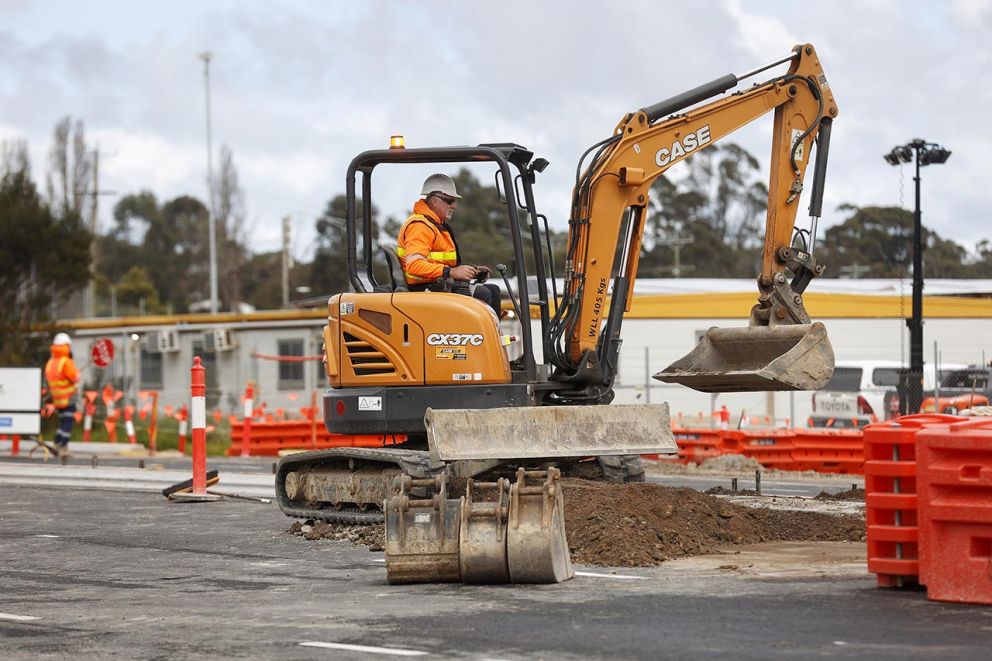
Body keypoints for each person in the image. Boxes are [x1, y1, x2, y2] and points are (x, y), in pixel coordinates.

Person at [396, 173, 501, 316]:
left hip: (435, 285)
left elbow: (438, 262)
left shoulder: (435, 225)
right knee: (483, 293)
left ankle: (493, 337)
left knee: (494, 290)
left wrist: (470, 271)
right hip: (424, 290)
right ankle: (478, 337)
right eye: (450, 201)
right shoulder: (420, 226)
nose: (454, 206)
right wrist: (451, 272)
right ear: (434, 201)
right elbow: (414, 266)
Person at [44, 332, 80, 454]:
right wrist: (77, 374)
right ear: (67, 345)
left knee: (62, 421)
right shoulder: (66, 361)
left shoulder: (51, 362)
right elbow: (74, 377)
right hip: (68, 397)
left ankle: (57, 442)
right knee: (68, 422)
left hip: (57, 399)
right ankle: (63, 446)